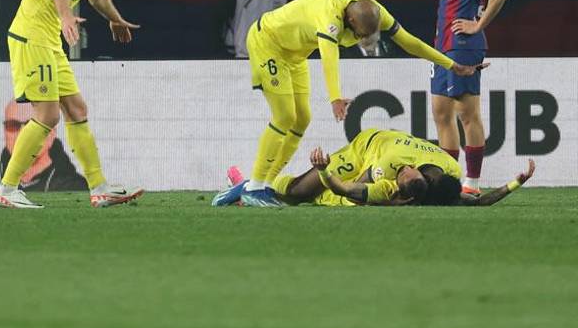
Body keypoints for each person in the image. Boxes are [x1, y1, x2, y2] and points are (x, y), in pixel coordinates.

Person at [212, 0, 485, 208]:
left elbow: (410, 42)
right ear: (350, 22)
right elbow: (329, 57)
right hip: (268, 42)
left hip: (294, 55)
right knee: (284, 117)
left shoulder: (376, 12)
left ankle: (264, 185)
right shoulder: (329, 16)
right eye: (361, 35)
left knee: (301, 120)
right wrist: (335, 98)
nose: (364, 40)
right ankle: (256, 187)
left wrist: (451, 65)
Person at [0, 0, 147, 209]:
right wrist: (66, 17)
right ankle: (7, 188)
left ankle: (99, 188)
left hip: (49, 41)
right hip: (32, 38)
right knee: (47, 115)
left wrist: (115, 19)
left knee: (77, 109)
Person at [217, 128, 535, 208]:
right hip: (365, 148)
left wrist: (515, 183)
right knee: (301, 192)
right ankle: (247, 185)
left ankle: (247, 187)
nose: (404, 171)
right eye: (406, 172)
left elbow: (476, 201)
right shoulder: (389, 168)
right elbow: (352, 185)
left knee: (308, 194)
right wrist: (327, 173)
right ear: (424, 174)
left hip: (381, 148)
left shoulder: (443, 174)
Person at [429, 0, 510, 196]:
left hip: (463, 45)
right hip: (442, 43)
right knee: (439, 111)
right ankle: (449, 182)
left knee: (467, 113)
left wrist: (478, 25)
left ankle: (472, 184)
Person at [0, 99, 87, 192]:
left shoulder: (76, 189)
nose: (22, 134)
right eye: (13, 125)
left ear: (51, 132)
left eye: (32, 126)